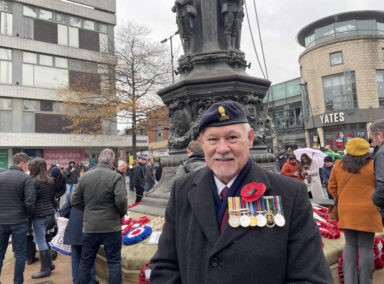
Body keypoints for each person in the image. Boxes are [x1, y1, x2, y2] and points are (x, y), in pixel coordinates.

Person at [150, 100, 332, 283]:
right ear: (203, 143)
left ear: (250, 138)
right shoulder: (181, 190)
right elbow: (165, 267)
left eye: (232, 138)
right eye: (213, 139)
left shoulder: (290, 194)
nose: (222, 149)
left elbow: (311, 277)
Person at [328, 138, 383, 284]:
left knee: (350, 245)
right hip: (369, 210)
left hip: (347, 211)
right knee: (366, 247)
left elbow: (331, 187)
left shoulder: (338, 164)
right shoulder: (373, 164)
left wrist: (342, 199)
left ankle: (350, 281)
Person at [71, 148, 127, 284]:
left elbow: (74, 201)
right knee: (114, 262)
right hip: (111, 227)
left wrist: (88, 210)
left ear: (99, 160)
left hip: (91, 226)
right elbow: (121, 201)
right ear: (112, 162)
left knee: (86, 262)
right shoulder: (116, 177)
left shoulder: (85, 176)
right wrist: (120, 213)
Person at [0, 153, 36, 284]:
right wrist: (27, 214)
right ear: (21, 164)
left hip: (2, 221)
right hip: (19, 221)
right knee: (20, 253)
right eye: (27, 164)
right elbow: (30, 201)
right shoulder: (26, 179)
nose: (28, 167)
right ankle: (17, 281)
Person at [29, 158, 58, 279]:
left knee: (39, 241)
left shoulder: (34, 181)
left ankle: (45, 269)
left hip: (38, 215)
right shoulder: (50, 181)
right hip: (49, 214)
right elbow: (53, 199)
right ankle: (49, 264)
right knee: (42, 239)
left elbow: (31, 200)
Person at [63, 198, 98, 284]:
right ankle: (91, 280)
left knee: (75, 256)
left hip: (74, 229)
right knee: (89, 256)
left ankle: (76, 280)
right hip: (88, 228)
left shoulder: (74, 193)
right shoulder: (94, 193)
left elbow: (64, 210)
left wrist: (73, 216)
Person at [369, 119, 384, 216]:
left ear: (380, 135)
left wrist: (375, 200)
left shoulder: (381, 153)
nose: (372, 142)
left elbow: (382, 184)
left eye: (372, 138)